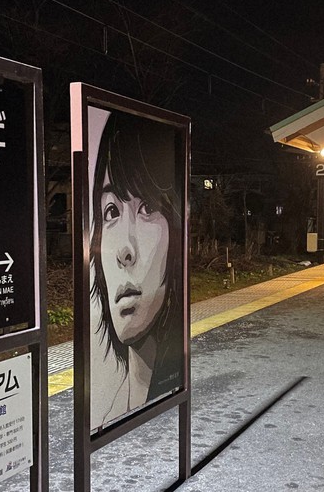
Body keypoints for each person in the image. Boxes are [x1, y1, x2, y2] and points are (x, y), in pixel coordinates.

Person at [90, 111, 183, 425]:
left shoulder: (170, 378)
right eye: (111, 211)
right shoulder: (108, 414)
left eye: (148, 207)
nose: (124, 251)